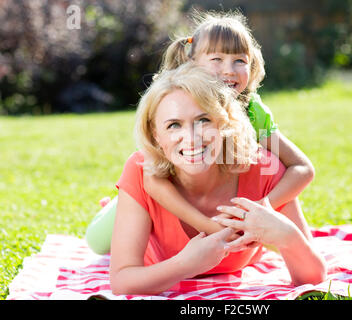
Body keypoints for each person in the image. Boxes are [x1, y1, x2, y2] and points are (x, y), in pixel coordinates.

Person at [85, 10, 315, 254]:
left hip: (213, 195)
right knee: (98, 243)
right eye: (216, 59)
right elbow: (151, 181)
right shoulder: (175, 100)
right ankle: (114, 207)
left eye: (240, 60)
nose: (229, 70)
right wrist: (206, 225)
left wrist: (264, 206)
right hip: (162, 192)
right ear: (192, 63)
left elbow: (301, 168)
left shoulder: (254, 112)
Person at [109, 62, 325, 295]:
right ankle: (110, 209)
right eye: (174, 125)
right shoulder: (140, 170)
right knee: (100, 236)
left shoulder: (262, 166)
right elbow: (122, 281)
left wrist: (289, 236)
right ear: (155, 135)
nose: (191, 138)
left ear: (224, 121)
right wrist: (184, 265)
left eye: (203, 120)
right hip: (133, 208)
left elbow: (313, 277)